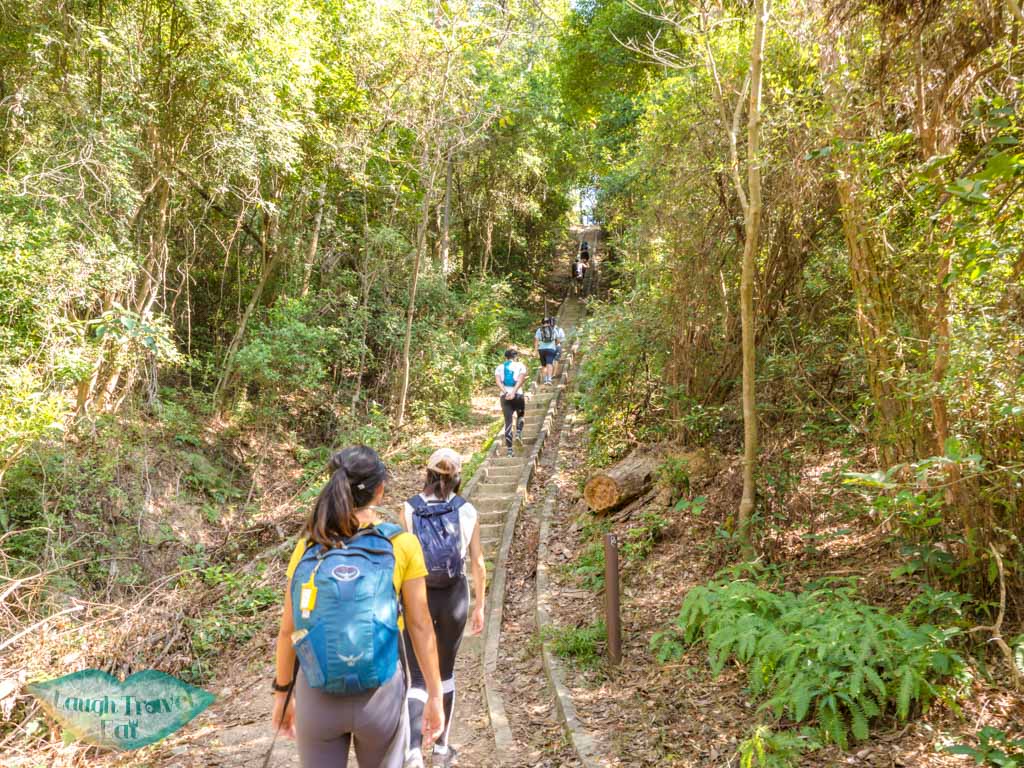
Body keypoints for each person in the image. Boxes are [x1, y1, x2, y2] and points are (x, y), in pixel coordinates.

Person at [272, 446, 445, 768]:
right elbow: (421, 628)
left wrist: (282, 694)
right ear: (379, 490)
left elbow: (288, 631)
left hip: (317, 696)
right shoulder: (401, 545)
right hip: (381, 696)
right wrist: (435, 695)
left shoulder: (309, 546)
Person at [401, 448, 486, 768]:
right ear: (457, 477)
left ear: (429, 474)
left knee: (419, 679)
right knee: (446, 673)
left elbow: (406, 559)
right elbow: (477, 562)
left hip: (417, 596)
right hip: (454, 597)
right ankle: (441, 748)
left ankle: (411, 752)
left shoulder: (408, 510)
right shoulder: (467, 510)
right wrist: (480, 604)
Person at [495, 348, 527, 458]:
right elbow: (520, 380)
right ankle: (518, 432)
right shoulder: (520, 366)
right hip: (518, 395)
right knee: (521, 415)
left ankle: (509, 451)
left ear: (506, 357)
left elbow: (498, 382)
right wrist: (513, 392)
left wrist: (506, 392)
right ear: (515, 357)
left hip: (504, 397)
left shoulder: (499, 368)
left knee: (508, 421)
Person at [534, 316, 565, 386]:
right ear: (549, 323)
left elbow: (536, 341)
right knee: (549, 364)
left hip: (541, 349)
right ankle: (549, 379)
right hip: (551, 349)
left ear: (542, 323)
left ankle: (545, 379)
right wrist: (554, 344)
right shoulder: (553, 329)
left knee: (544, 365)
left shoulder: (539, 330)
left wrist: (535, 351)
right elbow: (558, 340)